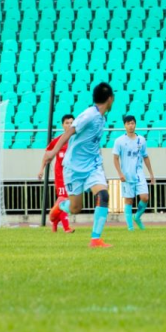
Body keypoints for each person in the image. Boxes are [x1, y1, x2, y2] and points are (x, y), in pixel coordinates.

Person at [41, 83, 114, 248]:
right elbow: (69, 132)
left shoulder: (102, 117)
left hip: (93, 166)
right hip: (74, 168)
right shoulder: (89, 115)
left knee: (103, 195)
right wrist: (52, 153)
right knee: (75, 208)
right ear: (110, 99)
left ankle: (95, 239)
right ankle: (60, 206)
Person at [112, 115, 155, 231]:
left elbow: (146, 157)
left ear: (135, 124)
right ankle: (130, 228)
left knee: (145, 197)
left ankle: (137, 217)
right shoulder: (119, 141)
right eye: (128, 123)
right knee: (129, 200)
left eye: (132, 123)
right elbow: (115, 158)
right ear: (124, 125)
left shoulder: (141, 140)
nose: (131, 125)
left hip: (139, 173)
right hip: (126, 174)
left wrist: (151, 174)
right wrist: (120, 173)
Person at [41, 114, 75, 234]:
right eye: (67, 123)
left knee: (67, 202)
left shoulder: (77, 140)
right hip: (61, 177)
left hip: (73, 177)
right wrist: (41, 170)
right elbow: (47, 155)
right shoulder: (58, 141)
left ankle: (53, 220)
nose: (69, 125)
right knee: (63, 200)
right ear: (62, 125)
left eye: (71, 123)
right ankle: (66, 228)